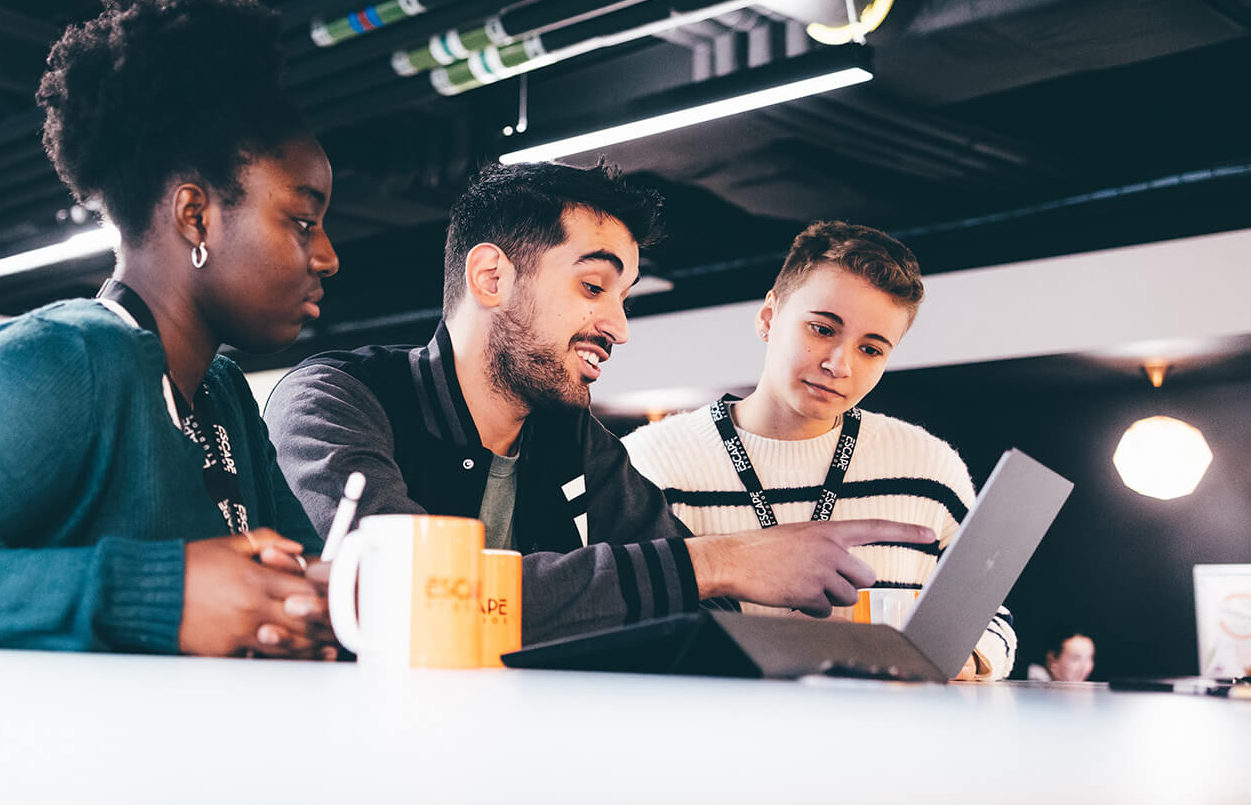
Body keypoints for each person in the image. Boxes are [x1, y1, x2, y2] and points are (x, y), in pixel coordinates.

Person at [0, 0, 340, 657]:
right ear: (196, 215)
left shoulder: (225, 393)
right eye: (301, 220)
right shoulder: (64, 359)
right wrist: (159, 594)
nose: (327, 256)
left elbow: (302, 570)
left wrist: (320, 601)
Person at [269, 162, 934, 644]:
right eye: (594, 287)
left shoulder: (571, 438)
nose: (618, 326)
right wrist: (725, 560)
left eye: (624, 297)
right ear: (491, 277)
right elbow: (413, 595)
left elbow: (684, 605)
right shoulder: (335, 401)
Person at [626, 221, 1017, 680]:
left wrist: (960, 660)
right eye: (821, 329)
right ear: (768, 318)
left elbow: (992, 621)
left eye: (871, 349)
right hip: (716, 736)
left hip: (889, 738)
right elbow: (617, 619)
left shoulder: (929, 468)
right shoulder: (650, 462)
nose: (839, 365)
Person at [1025, 629, 1095, 681]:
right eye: (1075, 659)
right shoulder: (1036, 688)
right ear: (1052, 661)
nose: (1084, 667)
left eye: (1089, 658)